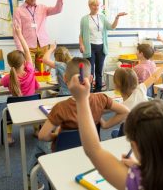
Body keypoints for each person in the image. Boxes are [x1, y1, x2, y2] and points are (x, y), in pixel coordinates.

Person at [68, 76, 163, 190]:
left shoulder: (139, 183)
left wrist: (81, 100)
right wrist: (139, 166)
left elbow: (93, 150)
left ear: (135, 146)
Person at [26, 57, 129, 188]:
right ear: (91, 79)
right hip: (91, 148)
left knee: (39, 143)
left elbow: (42, 135)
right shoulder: (101, 99)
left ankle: (30, 178)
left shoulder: (60, 108)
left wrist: (56, 136)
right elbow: (125, 111)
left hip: (62, 151)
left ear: (65, 78)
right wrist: (105, 124)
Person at [0, 24, 39, 144]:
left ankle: (8, 137)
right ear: (24, 62)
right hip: (31, 107)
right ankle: (37, 130)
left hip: (15, 110)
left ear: (9, 65)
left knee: (7, 111)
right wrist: (19, 34)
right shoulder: (30, 70)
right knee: (36, 105)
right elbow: (27, 50)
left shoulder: (8, 78)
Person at [79, 0, 127, 92]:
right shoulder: (84, 19)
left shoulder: (102, 17)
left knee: (99, 72)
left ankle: (98, 92)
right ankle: (88, 92)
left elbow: (112, 27)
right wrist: (81, 44)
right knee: (90, 72)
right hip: (90, 48)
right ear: (89, 6)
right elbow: (81, 35)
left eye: (97, 5)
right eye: (94, 5)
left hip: (101, 47)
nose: (96, 7)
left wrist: (117, 17)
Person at [13, 0, 63, 70]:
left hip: (43, 45)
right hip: (28, 47)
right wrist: (20, 49)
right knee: (29, 72)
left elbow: (58, 10)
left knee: (43, 73)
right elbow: (16, 32)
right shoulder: (18, 11)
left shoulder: (42, 8)